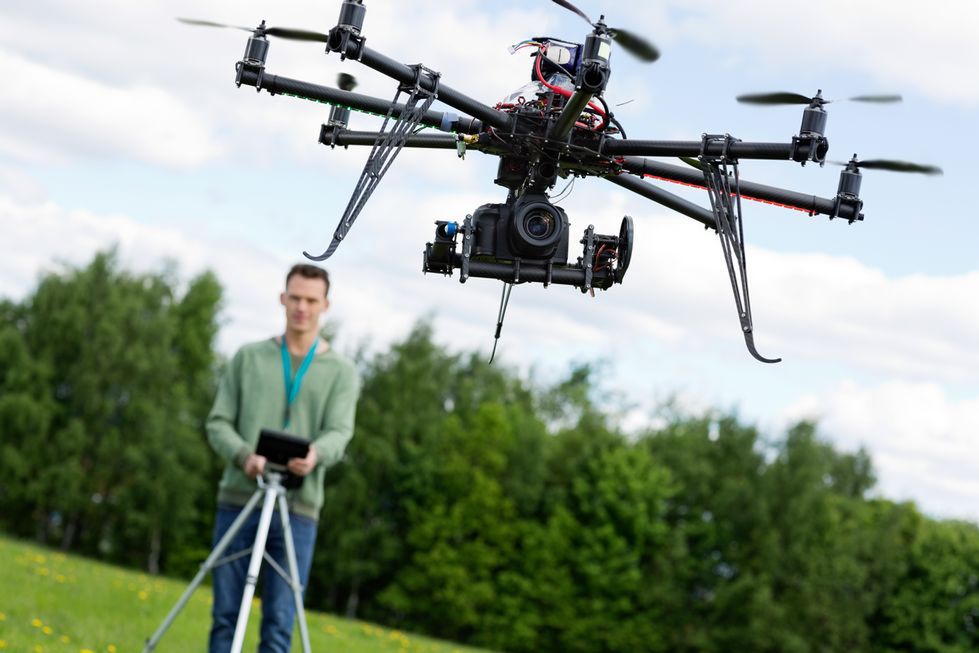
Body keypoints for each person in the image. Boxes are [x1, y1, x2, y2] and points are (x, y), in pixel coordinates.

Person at [205, 263, 360, 653]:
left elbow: (340, 432)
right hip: (241, 498)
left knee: (279, 623)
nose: (301, 307)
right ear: (282, 298)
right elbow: (218, 422)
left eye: (311, 300)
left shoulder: (342, 372)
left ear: (325, 305)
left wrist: (315, 454)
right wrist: (244, 456)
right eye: (295, 298)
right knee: (226, 614)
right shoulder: (248, 357)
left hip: (298, 509)